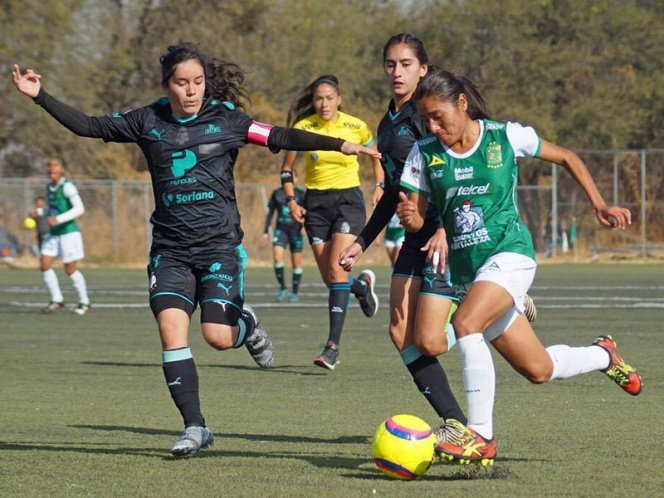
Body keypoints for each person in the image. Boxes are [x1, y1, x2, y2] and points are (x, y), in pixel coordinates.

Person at [12, 41, 380, 458]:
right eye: (182, 83)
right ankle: (195, 426)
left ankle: (246, 325)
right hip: (169, 250)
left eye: (198, 82)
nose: (192, 91)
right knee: (171, 333)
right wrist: (39, 95)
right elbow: (90, 126)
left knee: (218, 337)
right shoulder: (146, 120)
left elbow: (277, 135)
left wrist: (338, 145)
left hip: (219, 247)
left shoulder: (227, 120)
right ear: (166, 84)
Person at [397, 67, 642, 465]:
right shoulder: (424, 152)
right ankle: (603, 355)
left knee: (465, 325)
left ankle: (480, 437)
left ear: (461, 103)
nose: (432, 125)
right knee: (539, 369)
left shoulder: (504, 136)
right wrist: (411, 219)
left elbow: (566, 157)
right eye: (425, 118)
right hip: (468, 273)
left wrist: (599, 204)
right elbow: (420, 218)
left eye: (438, 116)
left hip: (511, 255)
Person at [338, 34, 468, 447]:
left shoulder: (428, 115)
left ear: (424, 69)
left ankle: (500, 307)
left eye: (407, 64)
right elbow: (395, 193)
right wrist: (361, 241)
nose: (397, 72)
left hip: (446, 233)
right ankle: (455, 422)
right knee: (400, 333)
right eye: (391, 64)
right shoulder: (388, 121)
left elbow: (462, 171)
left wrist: (448, 227)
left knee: (430, 339)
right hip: (414, 235)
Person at [281, 74, 383, 371]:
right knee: (331, 279)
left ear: (339, 98)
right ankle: (362, 287)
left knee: (337, 272)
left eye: (329, 97)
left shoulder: (356, 126)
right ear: (312, 102)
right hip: (315, 204)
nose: (324, 103)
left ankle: (332, 348)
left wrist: (380, 185)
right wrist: (291, 201)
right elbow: (287, 170)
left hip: (348, 202)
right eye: (318, 98)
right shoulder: (303, 128)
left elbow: (376, 156)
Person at [30, 158, 92, 315]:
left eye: (55, 165)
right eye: (49, 165)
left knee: (70, 269)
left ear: (62, 169)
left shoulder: (67, 186)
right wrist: (39, 212)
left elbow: (79, 208)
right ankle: (57, 299)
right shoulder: (49, 187)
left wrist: (59, 219)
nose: (51, 168)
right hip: (54, 233)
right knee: (44, 264)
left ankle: (84, 302)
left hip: (68, 233)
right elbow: (52, 210)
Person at [262, 173, 306, 302]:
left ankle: (295, 292)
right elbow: (270, 212)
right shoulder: (277, 193)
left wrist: (305, 227)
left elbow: (307, 212)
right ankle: (282, 286)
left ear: (297, 179)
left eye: (293, 178)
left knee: (296, 262)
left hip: (296, 230)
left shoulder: (302, 194)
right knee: (277, 257)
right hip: (281, 230)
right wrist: (265, 231)